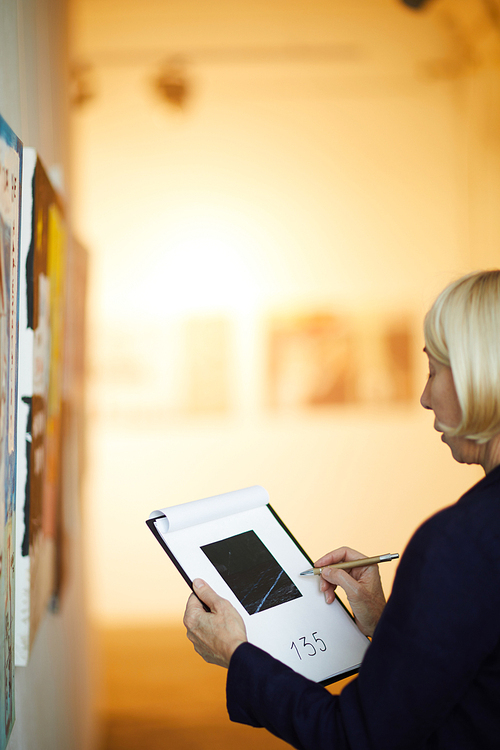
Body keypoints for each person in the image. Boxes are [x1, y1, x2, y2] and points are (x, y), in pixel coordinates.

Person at [183, 270, 500, 749]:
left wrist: (238, 652)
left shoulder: (458, 545)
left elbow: (354, 737)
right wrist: (384, 619)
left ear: (480, 374)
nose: (424, 395)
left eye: (434, 369)